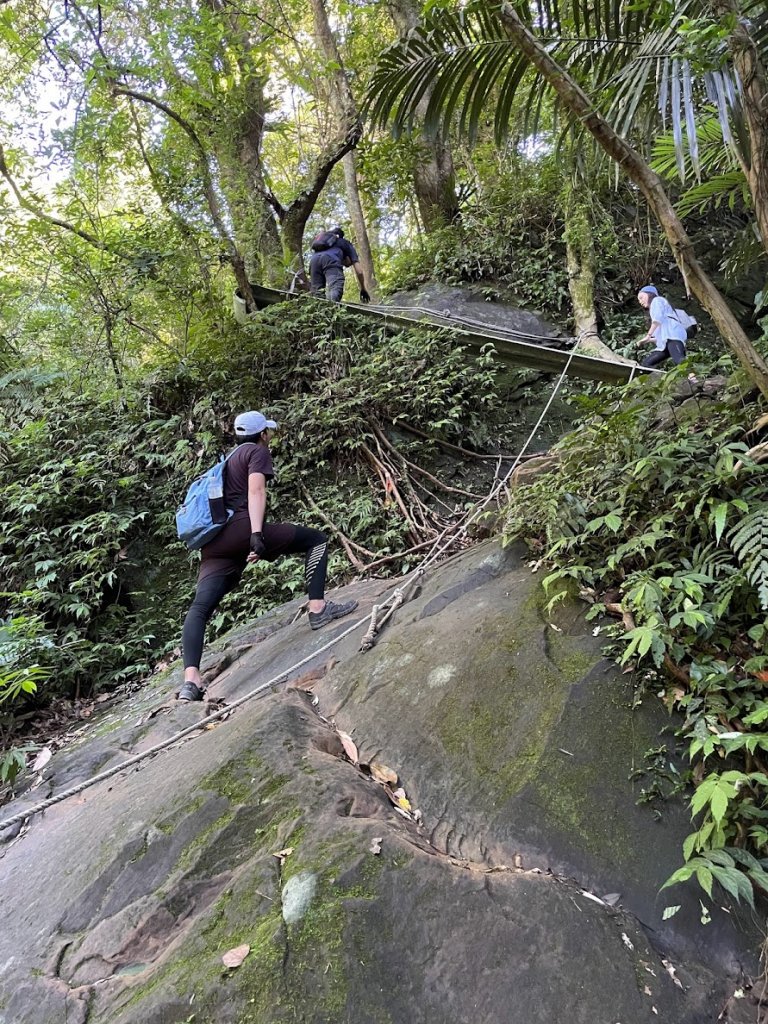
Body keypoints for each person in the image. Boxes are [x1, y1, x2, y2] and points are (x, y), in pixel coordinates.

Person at [178, 411, 358, 702]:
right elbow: (256, 490)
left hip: (214, 544)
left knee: (200, 607)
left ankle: (191, 681)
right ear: (262, 434)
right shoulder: (255, 452)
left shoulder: (229, 458)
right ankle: (317, 609)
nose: (270, 437)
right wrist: (257, 534)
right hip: (242, 528)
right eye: (268, 433)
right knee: (316, 540)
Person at [309, 226, 371, 304]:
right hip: (330, 259)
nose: (348, 265)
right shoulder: (345, 243)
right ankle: (331, 308)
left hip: (313, 261)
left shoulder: (324, 244)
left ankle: (318, 313)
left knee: (316, 293)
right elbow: (360, 272)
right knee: (335, 288)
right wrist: (363, 289)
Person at [636, 285, 688, 368]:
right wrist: (647, 341)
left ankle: (694, 379)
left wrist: (648, 336)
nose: (640, 301)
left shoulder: (657, 300)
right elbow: (660, 337)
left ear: (650, 294)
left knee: (679, 360)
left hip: (673, 336)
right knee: (646, 364)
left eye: (641, 297)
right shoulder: (654, 310)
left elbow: (657, 319)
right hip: (664, 344)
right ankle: (659, 379)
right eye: (639, 300)